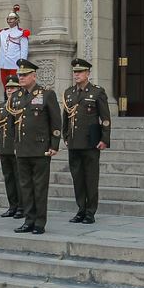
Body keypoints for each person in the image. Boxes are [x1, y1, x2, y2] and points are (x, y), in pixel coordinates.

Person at [7, 60, 61, 234]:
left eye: (24, 75)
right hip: (22, 149)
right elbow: (11, 124)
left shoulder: (46, 94)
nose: (20, 78)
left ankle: (39, 222)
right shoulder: (15, 96)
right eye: (19, 75)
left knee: (39, 187)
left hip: (40, 148)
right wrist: (13, 144)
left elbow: (55, 121)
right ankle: (28, 220)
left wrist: (54, 145)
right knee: (26, 187)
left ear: (33, 76)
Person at [62, 59, 112, 224]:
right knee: (77, 178)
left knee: (90, 178)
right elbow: (66, 118)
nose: (76, 75)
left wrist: (104, 139)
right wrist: (65, 136)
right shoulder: (69, 93)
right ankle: (80, 209)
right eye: (75, 72)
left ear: (88, 73)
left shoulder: (97, 92)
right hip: (74, 142)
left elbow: (105, 118)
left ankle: (90, 211)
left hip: (91, 142)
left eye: (80, 72)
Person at [0, 77, 23, 221]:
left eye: (13, 88)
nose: (10, 90)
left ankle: (21, 207)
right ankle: (12, 205)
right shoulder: (1, 106)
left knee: (19, 178)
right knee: (9, 178)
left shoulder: (20, 105)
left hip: (16, 147)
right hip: (5, 147)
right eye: (8, 88)